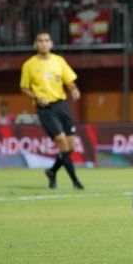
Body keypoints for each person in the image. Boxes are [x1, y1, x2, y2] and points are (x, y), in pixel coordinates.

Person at [20, 32, 84, 190]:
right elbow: (23, 87)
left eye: (46, 40)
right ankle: (76, 182)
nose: (43, 43)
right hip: (45, 108)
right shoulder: (29, 65)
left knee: (71, 146)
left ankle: (52, 171)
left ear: (51, 44)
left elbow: (69, 81)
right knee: (62, 141)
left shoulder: (59, 61)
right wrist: (36, 97)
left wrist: (74, 89)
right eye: (40, 41)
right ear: (35, 45)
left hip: (61, 105)